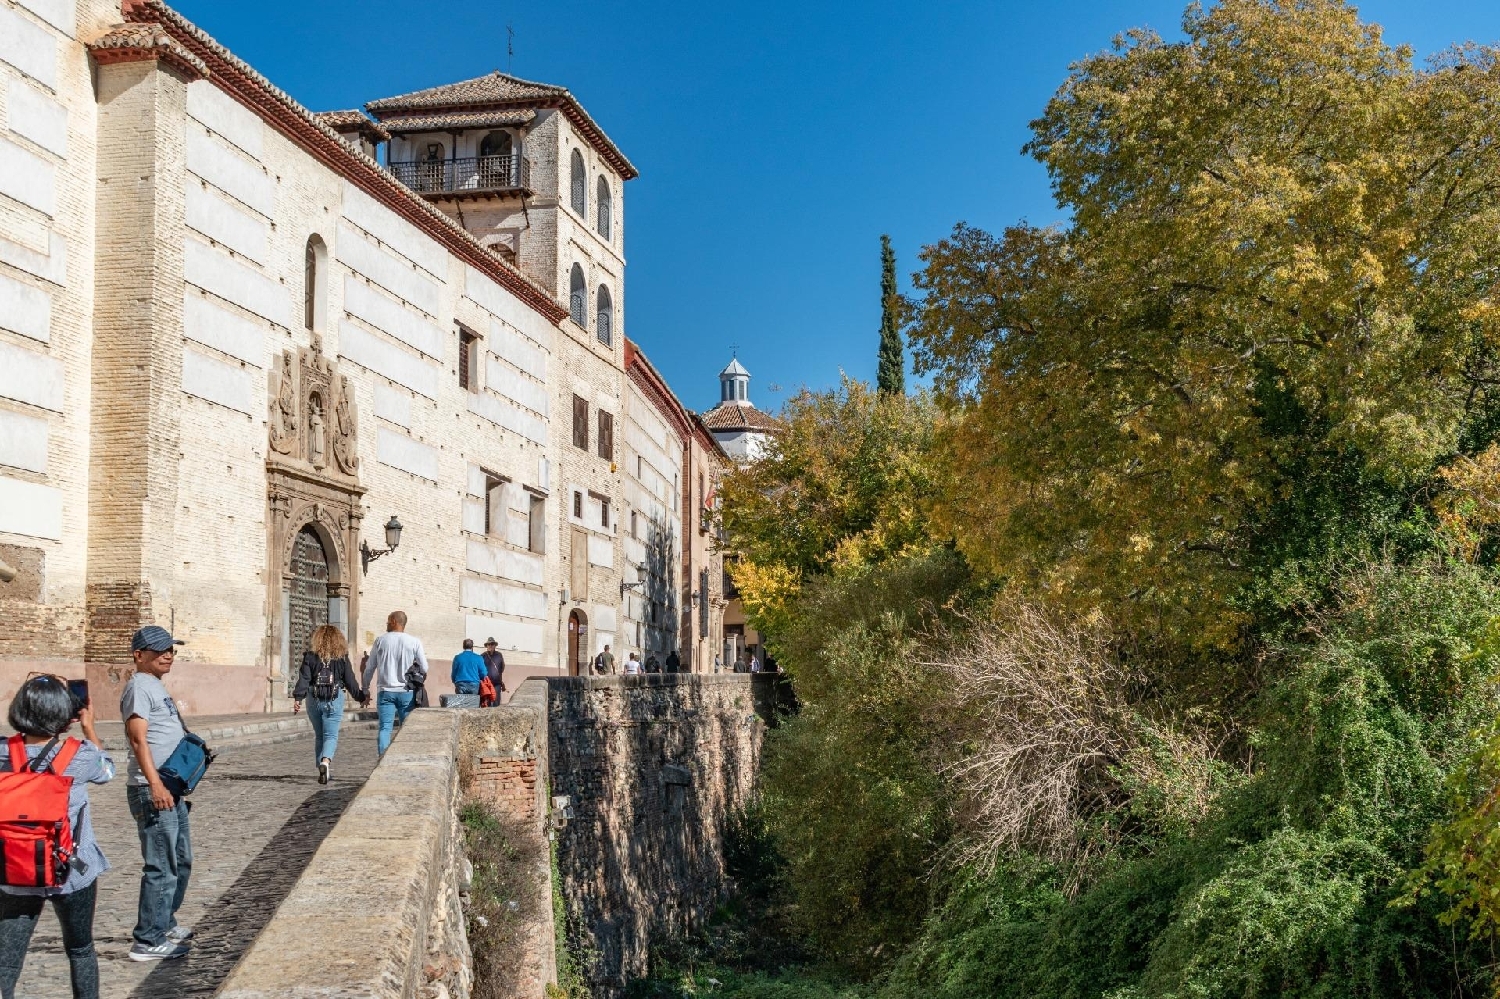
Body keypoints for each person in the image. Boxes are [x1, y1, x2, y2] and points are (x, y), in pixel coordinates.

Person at [0, 676, 114, 996]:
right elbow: (108, 772)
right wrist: (89, 728)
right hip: (71, 871)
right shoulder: (81, 755)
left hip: (16, 869)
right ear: (66, 713)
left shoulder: (3, 752)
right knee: (80, 950)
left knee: (6, 963)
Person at [120, 626, 194, 962]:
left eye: (172, 649)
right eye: (160, 650)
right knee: (161, 866)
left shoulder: (154, 685)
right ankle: (147, 940)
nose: (168, 655)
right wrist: (156, 785)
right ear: (139, 655)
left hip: (171, 789)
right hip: (154, 790)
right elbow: (138, 740)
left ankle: (164, 922)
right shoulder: (138, 687)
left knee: (181, 860)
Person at [292, 625, 366, 785]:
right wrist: (361, 697)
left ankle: (321, 767)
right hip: (334, 699)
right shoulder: (342, 658)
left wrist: (298, 698)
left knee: (319, 736)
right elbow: (350, 681)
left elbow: (304, 678)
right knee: (330, 736)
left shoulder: (310, 657)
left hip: (314, 699)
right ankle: (325, 762)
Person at [362, 611, 429, 756]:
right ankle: (403, 759)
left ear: (394, 621)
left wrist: (365, 689)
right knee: (405, 729)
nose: (386, 624)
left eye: (387, 621)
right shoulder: (414, 642)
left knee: (385, 728)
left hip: (385, 691)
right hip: (406, 691)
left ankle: (382, 760)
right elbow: (425, 668)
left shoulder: (380, 641)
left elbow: (369, 668)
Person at [481, 638, 506, 706]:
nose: (490, 646)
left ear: (495, 645)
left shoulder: (499, 655)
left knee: (496, 702)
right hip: (486, 683)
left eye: (492, 644)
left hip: (497, 683)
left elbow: (502, 667)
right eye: (488, 644)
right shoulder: (482, 656)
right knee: (487, 703)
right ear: (486, 646)